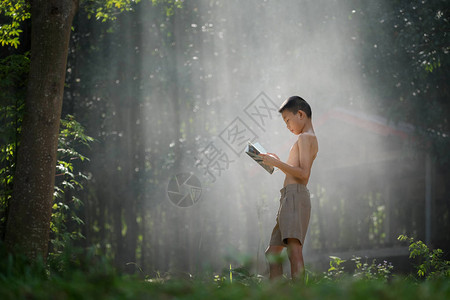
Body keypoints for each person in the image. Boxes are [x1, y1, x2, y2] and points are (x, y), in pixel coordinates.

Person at [259, 95, 318, 280]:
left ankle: (299, 294)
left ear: (300, 114)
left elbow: (304, 174)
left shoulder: (305, 138)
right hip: (288, 197)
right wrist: (276, 163)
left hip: (295, 197)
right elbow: (296, 171)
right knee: (273, 252)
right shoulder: (305, 139)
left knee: (294, 250)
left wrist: (277, 163)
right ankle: (277, 294)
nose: (287, 126)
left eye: (287, 120)